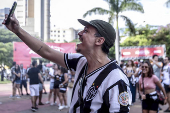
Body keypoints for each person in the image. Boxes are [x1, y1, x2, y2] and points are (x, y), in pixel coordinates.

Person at [3, 15, 132, 112]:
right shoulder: (80, 62)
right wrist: (17, 30)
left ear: (99, 40)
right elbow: (46, 51)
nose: (79, 33)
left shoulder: (116, 79)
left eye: (86, 31)